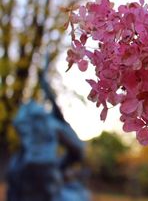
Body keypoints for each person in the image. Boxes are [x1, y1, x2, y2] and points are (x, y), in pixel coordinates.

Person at [6, 70, 90, 201]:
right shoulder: (51, 124)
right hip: (48, 187)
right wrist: (61, 165)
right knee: (80, 195)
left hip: (22, 181)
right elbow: (78, 151)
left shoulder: (23, 124)